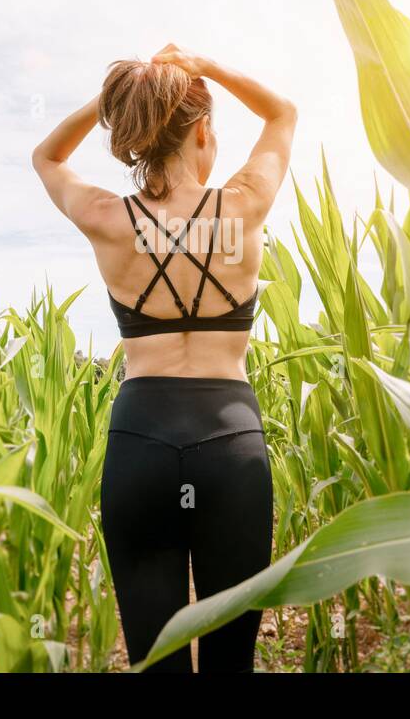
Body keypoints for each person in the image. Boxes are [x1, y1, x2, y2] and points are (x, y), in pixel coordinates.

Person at [30, 43, 297, 672]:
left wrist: (116, 101)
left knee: (158, 662)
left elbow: (46, 156)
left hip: (141, 445)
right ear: (203, 131)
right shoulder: (242, 206)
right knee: (230, 663)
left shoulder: (105, 218)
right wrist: (207, 66)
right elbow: (282, 113)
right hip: (232, 444)